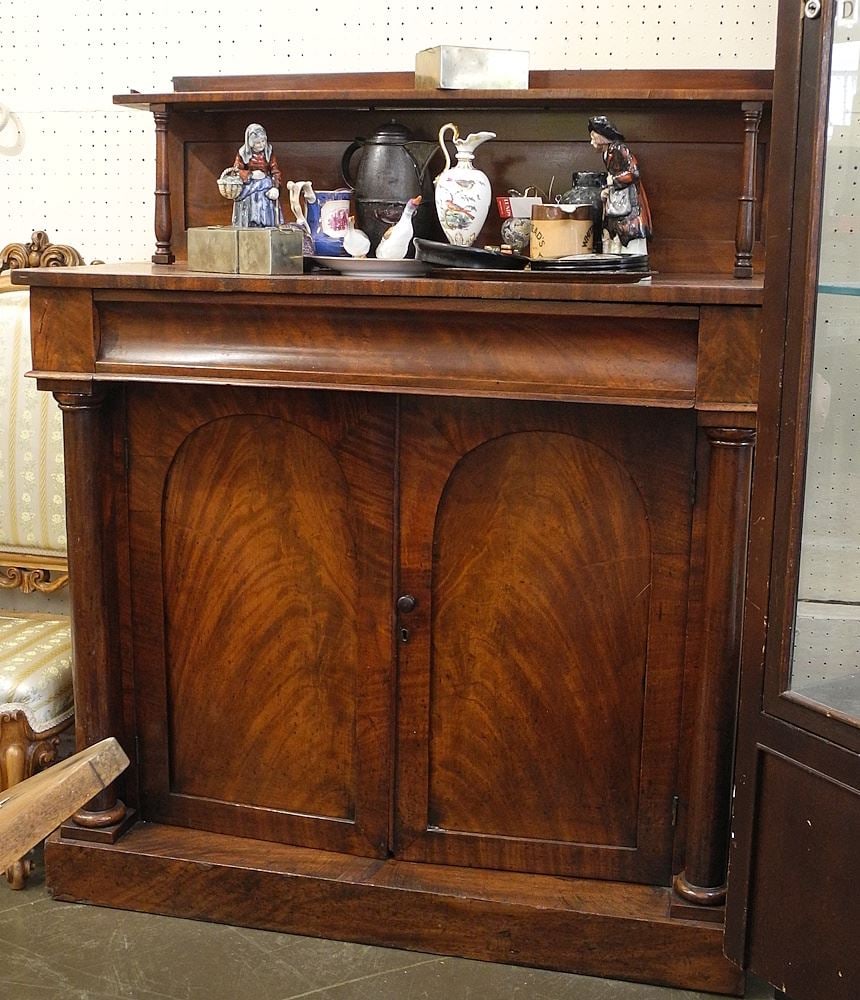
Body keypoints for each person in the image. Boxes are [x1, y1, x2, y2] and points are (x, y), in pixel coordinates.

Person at [587, 116, 651, 255]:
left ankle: (632, 262)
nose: (591, 142)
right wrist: (608, 189)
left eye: (593, 137)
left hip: (628, 201)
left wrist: (613, 181)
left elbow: (633, 173)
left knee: (629, 232)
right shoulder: (607, 152)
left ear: (601, 137)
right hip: (617, 200)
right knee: (612, 231)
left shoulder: (619, 149)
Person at [229, 123, 284, 228]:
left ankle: (265, 222)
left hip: (266, 183)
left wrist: (275, 187)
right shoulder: (242, 153)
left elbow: (275, 170)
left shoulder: (268, 152)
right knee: (250, 197)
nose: (261, 145)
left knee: (265, 195)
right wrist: (250, 175)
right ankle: (250, 222)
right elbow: (236, 171)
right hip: (249, 185)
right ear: (250, 142)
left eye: (263, 141)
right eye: (257, 143)